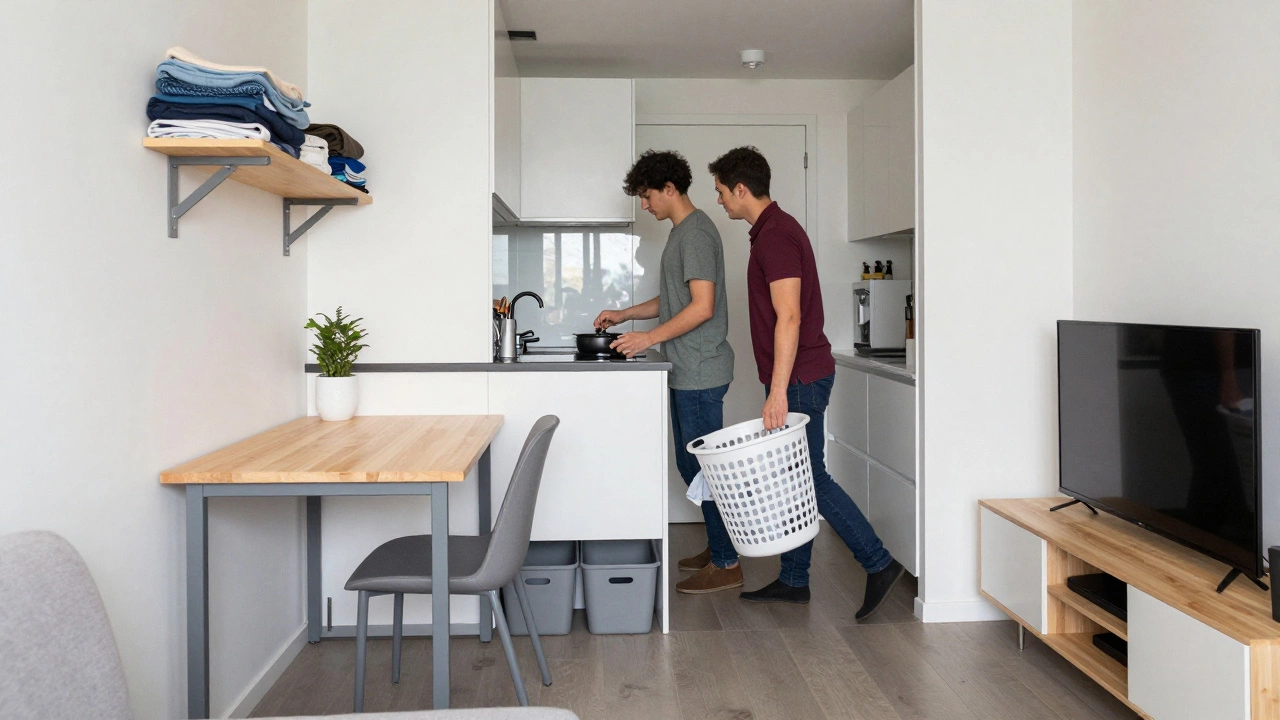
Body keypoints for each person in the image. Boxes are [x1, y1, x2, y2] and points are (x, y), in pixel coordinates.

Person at [707, 145, 904, 618]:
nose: (719, 201)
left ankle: (878, 562)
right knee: (797, 479)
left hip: (799, 378)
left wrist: (777, 391)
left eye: (720, 192)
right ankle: (795, 580)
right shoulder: (774, 230)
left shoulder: (774, 236)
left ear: (740, 188)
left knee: (808, 478)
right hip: (799, 375)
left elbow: (790, 316)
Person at [594, 149, 742, 594]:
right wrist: (626, 316)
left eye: (646, 196)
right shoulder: (683, 234)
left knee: (704, 471)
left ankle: (727, 560)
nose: (644, 205)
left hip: (700, 368)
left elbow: (702, 307)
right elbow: (675, 300)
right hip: (688, 367)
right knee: (691, 465)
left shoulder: (695, 234)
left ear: (669, 189)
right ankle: (720, 546)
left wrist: (649, 338)